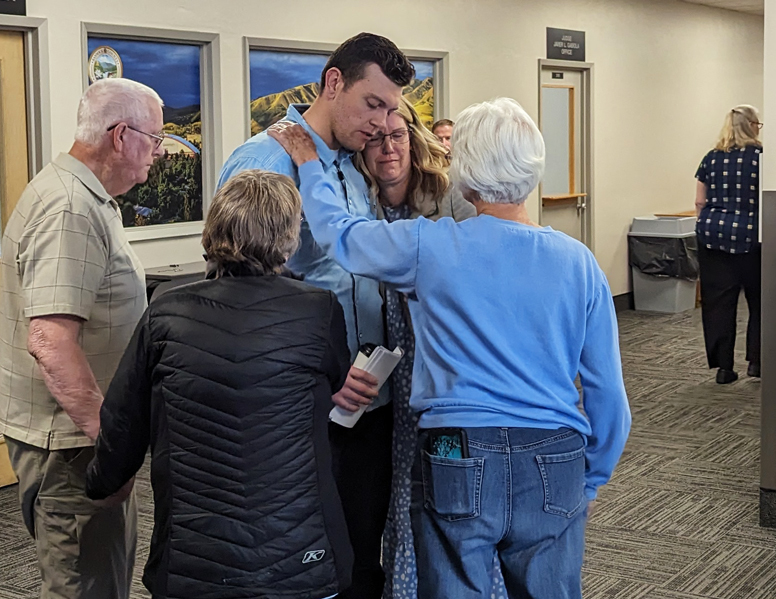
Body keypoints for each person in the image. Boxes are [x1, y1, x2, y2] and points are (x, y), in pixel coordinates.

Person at [269, 96, 631, 599]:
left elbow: (341, 237)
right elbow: (608, 396)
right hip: (555, 455)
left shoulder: (431, 246)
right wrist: (589, 480)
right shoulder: (581, 264)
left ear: (463, 175)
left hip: (455, 450)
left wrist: (310, 164)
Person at [85, 170, 354, 599]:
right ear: (289, 236)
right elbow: (335, 379)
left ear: (214, 229)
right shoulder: (318, 310)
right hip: (299, 558)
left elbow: (122, 421)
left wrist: (100, 484)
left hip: (193, 561)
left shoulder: (165, 311)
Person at [217, 32, 415, 599]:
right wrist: (320, 376)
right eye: (372, 104)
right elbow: (238, 302)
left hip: (370, 397)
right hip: (310, 408)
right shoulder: (264, 162)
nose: (381, 124)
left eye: (391, 110)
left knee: (363, 554)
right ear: (333, 84)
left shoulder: (352, 167)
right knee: (316, 565)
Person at [0, 78, 165, 598]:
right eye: (154, 139)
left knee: (102, 578)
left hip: (76, 439)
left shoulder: (87, 196)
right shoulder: (70, 208)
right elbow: (50, 341)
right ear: (120, 136)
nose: (158, 152)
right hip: (72, 448)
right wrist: (112, 447)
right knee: (86, 586)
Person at [353, 97, 501, 599]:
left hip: (446, 370)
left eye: (397, 136)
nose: (388, 148)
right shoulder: (362, 204)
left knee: (453, 489)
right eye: (375, 139)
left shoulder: (452, 198)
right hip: (389, 371)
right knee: (403, 491)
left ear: (413, 140)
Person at [694, 105, 763, 384]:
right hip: (754, 239)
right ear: (753, 126)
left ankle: (724, 368)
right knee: (760, 301)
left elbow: (700, 201)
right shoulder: (762, 158)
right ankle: (757, 362)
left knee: (718, 303)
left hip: (713, 238)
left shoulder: (711, 158)